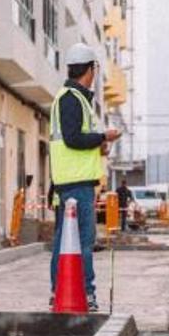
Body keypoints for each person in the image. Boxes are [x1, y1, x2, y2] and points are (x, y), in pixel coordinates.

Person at [49, 42, 121, 311]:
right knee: (83, 241)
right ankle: (84, 293)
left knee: (65, 240)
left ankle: (61, 291)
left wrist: (99, 145)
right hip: (75, 183)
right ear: (91, 69)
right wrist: (104, 136)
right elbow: (73, 139)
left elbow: (75, 140)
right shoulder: (71, 98)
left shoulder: (70, 98)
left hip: (70, 180)